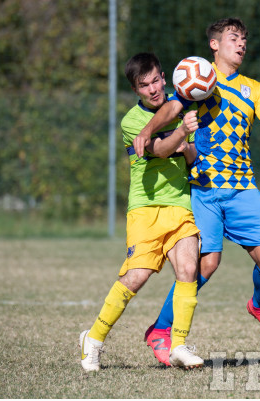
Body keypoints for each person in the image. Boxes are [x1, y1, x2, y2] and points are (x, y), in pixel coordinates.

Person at [133, 18, 260, 366]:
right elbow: (172, 108)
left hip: (242, 188)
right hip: (205, 189)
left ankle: (258, 305)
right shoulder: (198, 77)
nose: (242, 44)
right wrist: (147, 130)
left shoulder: (255, 89)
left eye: (244, 39)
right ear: (214, 45)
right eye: (234, 38)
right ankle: (160, 329)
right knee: (205, 265)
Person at [79, 52, 204, 371]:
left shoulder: (180, 104)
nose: (152, 89)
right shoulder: (132, 122)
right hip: (145, 209)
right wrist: (182, 133)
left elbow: (188, 158)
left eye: (155, 81)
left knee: (189, 270)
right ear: (135, 90)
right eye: (143, 85)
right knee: (135, 278)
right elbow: (160, 150)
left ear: (164, 77)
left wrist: (188, 148)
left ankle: (178, 345)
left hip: (180, 204)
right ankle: (92, 340)